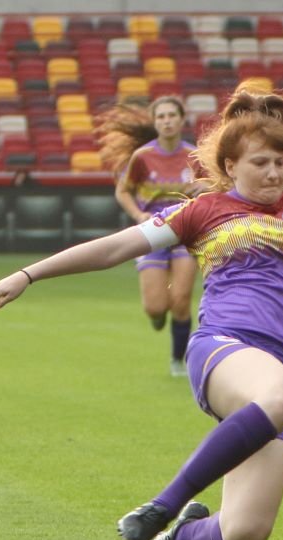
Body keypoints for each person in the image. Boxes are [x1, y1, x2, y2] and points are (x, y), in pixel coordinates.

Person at [0, 46, 283, 540]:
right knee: (277, 402)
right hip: (225, 349)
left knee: (243, 537)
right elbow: (116, 247)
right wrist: (30, 273)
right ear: (231, 165)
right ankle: (163, 504)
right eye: (261, 163)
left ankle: (183, 532)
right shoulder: (204, 210)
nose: (276, 173)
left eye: (282, 162)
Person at [95, 96, 207, 376]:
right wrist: (138, 215)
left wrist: (205, 187)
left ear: (182, 120)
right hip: (152, 230)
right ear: (155, 122)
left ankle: (177, 360)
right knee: (156, 307)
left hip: (185, 229)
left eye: (172, 115)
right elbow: (123, 191)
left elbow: (217, 186)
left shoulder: (195, 156)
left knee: (180, 299)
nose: (167, 121)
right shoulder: (142, 156)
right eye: (161, 117)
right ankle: (158, 318)